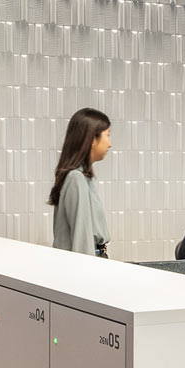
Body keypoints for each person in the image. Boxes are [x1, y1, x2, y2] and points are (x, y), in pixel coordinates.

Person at [50, 108, 112, 257]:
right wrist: (87, 273)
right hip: (87, 263)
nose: (109, 144)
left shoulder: (81, 177)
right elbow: (81, 237)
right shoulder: (75, 178)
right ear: (92, 139)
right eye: (107, 136)